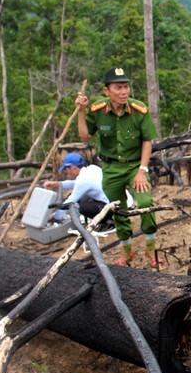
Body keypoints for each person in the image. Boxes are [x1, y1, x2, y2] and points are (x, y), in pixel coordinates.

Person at [75, 67, 162, 268]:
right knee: (117, 208)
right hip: (111, 168)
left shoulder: (138, 110)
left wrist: (142, 170)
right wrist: (81, 111)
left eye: (126, 87)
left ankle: (152, 251)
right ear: (107, 91)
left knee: (145, 202)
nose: (124, 92)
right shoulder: (98, 111)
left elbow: (147, 141)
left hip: (134, 167)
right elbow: (84, 136)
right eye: (118, 87)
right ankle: (127, 252)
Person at [44, 152, 110, 223]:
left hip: (109, 208)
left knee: (78, 206)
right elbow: (75, 183)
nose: (67, 173)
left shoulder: (83, 179)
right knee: (84, 199)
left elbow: (70, 202)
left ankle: (106, 221)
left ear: (73, 167)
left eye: (66, 169)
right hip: (114, 202)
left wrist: (55, 217)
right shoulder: (92, 168)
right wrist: (57, 184)